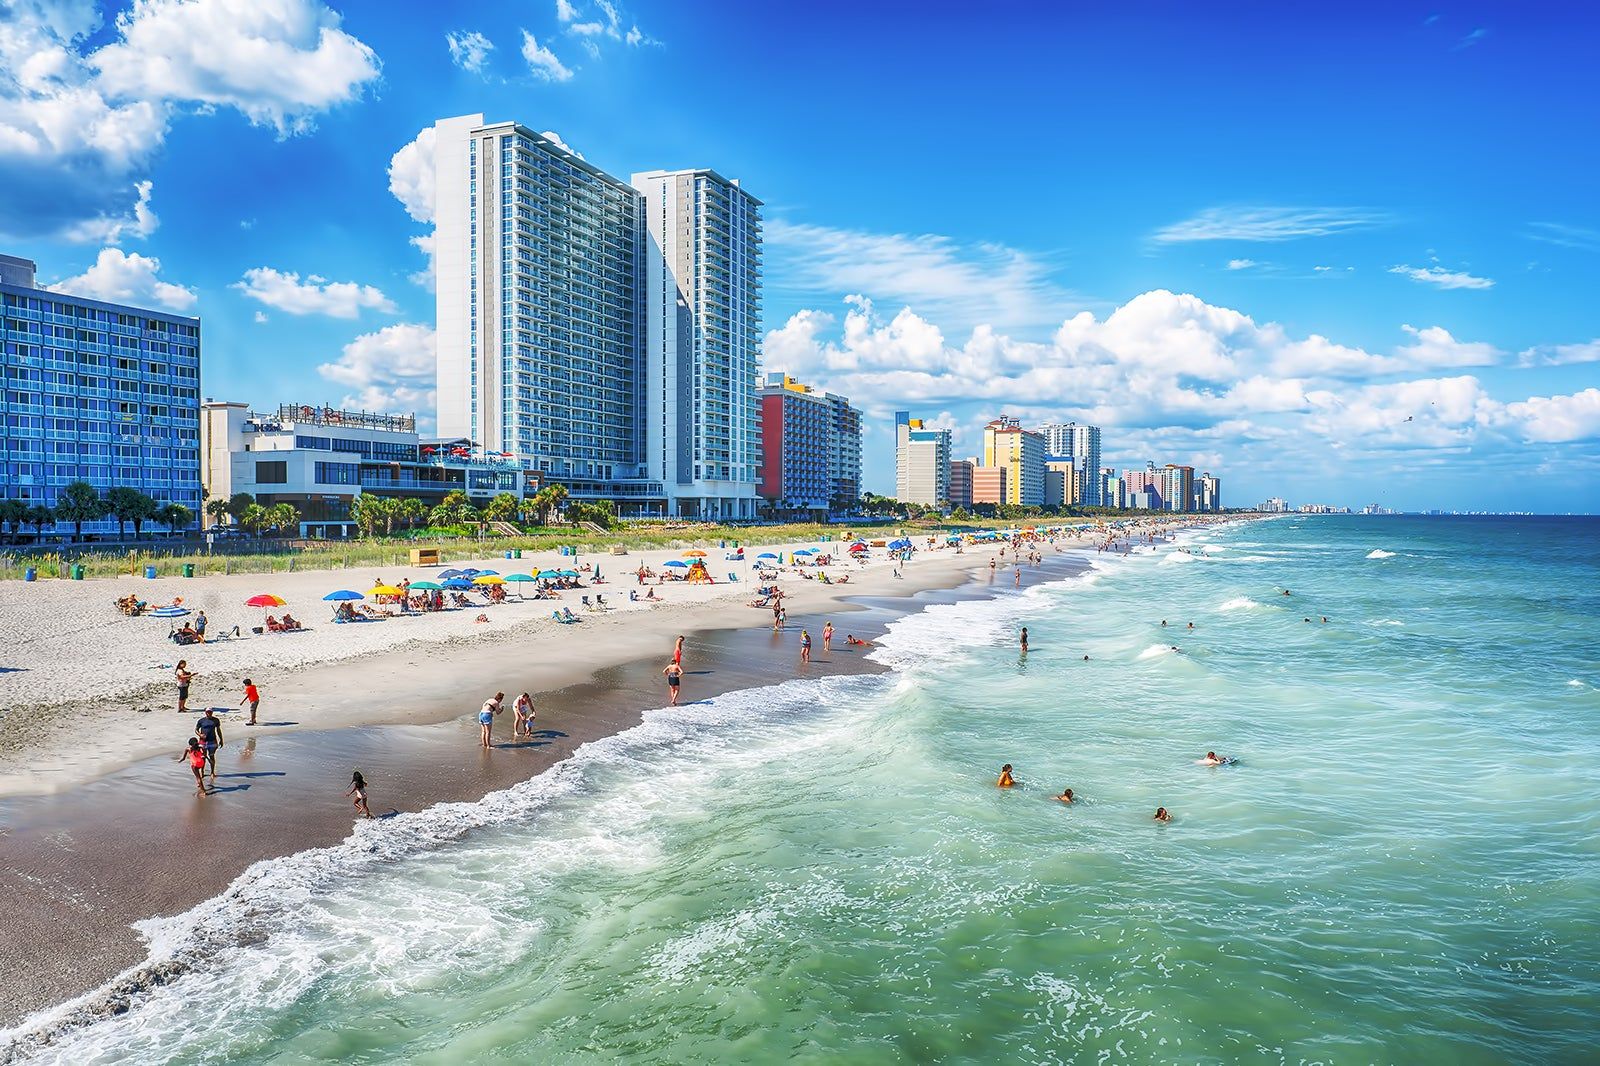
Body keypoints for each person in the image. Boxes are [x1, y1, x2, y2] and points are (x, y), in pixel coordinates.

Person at [194, 707, 223, 781]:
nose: (209, 713)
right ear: (205, 712)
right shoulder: (201, 720)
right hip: (203, 741)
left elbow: (218, 730)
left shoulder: (216, 720)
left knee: (211, 756)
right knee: (203, 756)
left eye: (210, 712)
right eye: (207, 712)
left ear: (212, 712)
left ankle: (212, 772)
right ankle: (202, 771)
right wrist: (200, 735)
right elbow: (196, 730)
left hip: (212, 741)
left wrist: (221, 739)